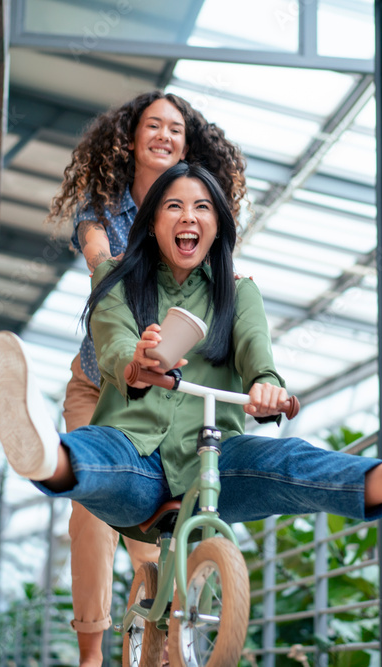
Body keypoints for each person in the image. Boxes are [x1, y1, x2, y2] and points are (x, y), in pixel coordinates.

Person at [0, 163, 382, 568]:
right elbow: (113, 343)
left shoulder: (239, 293)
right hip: (135, 454)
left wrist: (267, 386)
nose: (189, 217)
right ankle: (41, 453)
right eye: (174, 206)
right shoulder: (116, 278)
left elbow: (257, 352)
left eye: (202, 207)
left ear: (218, 225)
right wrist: (137, 362)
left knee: (291, 460)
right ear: (152, 223)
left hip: (216, 463)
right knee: (96, 452)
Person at [45, 91, 247, 666]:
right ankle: (90, 652)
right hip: (99, 385)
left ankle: (157, 641)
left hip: (163, 395)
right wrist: (110, 268)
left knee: (154, 523)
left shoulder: (195, 214)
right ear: (131, 138)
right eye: (153, 125)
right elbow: (96, 252)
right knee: (90, 507)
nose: (163, 135)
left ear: (187, 144)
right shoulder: (106, 207)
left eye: (175, 129)